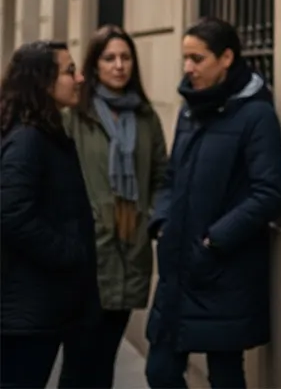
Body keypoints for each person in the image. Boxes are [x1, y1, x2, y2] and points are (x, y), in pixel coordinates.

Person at [145, 17, 281, 389]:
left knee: (225, 375)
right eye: (185, 59)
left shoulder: (256, 115)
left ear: (226, 58)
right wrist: (161, 221)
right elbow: (171, 176)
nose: (189, 68)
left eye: (197, 58)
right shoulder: (189, 109)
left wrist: (213, 241)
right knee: (159, 371)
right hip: (177, 267)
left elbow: (268, 192)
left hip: (222, 270)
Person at [60, 25, 169, 389]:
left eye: (125, 58)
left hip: (131, 248)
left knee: (105, 358)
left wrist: (150, 218)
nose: (119, 66)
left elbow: (161, 176)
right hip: (88, 255)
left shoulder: (145, 117)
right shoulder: (76, 117)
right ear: (94, 66)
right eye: (109, 58)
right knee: (79, 364)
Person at [0, 41, 99, 389]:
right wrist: (68, 252)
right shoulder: (27, 140)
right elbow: (12, 214)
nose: (81, 78)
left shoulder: (47, 133)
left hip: (44, 305)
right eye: (70, 71)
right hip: (27, 310)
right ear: (44, 82)